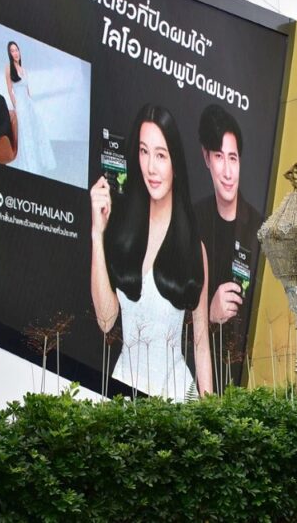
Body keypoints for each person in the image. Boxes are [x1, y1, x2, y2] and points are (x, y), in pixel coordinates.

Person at [90, 104, 213, 399]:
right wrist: (97, 234)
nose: (151, 168)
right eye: (144, 152)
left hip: (177, 400)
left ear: (175, 163)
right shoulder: (121, 232)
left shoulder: (194, 248)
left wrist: (212, 416)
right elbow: (106, 322)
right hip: (124, 393)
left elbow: (200, 344)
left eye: (161, 155)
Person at [192, 104, 262, 392]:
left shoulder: (259, 230)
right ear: (206, 157)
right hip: (194, 380)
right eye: (219, 157)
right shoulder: (192, 221)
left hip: (246, 380)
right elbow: (169, 311)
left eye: (233, 158)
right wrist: (208, 314)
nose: (228, 171)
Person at [5, 41, 56, 174]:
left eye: (17, 50)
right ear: (9, 54)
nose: (15, 53)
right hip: (20, 105)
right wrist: (16, 107)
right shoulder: (8, 68)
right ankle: (29, 166)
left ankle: (38, 162)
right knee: (25, 134)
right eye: (12, 51)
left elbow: (27, 91)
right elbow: (10, 91)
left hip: (28, 104)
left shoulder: (24, 70)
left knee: (35, 131)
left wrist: (31, 105)